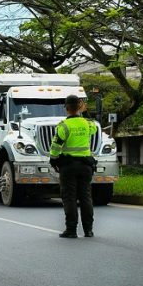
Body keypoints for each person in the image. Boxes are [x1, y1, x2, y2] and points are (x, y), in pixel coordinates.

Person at [49, 95, 98, 238]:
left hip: (68, 167)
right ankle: (88, 230)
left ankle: (71, 230)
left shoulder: (64, 125)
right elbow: (94, 127)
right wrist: (85, 112)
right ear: (79, 107)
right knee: (86, 197)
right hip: (86, 166)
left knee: (69, 197)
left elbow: (56, 146)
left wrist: (53, 160)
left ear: (66, 108)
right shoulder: (87, 124)